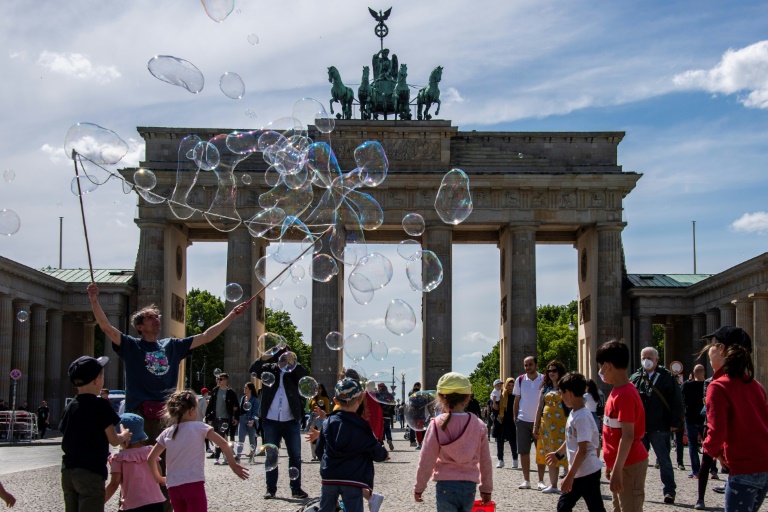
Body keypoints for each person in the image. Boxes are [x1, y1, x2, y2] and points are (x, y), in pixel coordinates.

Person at [87, 282, 247, 443]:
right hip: (139, 413)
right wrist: (94, 300)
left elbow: (206, 336)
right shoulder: (132, 345)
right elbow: (106, 327)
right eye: (150, 317)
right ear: (139, 326)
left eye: (157, 316)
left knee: (164, 465)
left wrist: (232, 315)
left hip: (167, 413)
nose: (156, 319)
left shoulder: (172, 345)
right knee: (140, 462)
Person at [700, 326, 768, 512]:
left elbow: (717, 431)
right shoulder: (756, 386)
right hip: (764, 465)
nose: (709, 351)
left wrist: (711, 451)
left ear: (721, 349)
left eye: (711, 346)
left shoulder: (718, 387)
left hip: (742, 467)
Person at [149, 390, 248, 511]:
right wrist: (233, 465)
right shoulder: (200, 427)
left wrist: (158, 478)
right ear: (191, 410)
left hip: (173, 486)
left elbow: (151, 458)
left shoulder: (167, 432)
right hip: (193, 484)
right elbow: (223, 443)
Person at [59, 356, 132, 511]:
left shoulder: (70, 406)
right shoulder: (100, 406)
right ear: (98, 379)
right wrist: (124, 435)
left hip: (68, 471)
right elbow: (113, 440)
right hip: (90, 471)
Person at [414, 372, 492, 511]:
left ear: (441, 398)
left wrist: (419, 487)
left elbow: (427, 458)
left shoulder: (437, 424)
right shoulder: (478, 424)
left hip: (445, 485)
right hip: (469, 486)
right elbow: (485, 461)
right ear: (468, 397)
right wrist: (486, 489)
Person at [315, 378, 388, 512]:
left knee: (325, 508)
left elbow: (319, 450)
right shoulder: (362, 426)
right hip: (353, 479)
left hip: (330, 477)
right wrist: (384, 454)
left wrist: (328, 464)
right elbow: (374, 449)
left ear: (336, 401)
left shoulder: (328, 422)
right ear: (360, 400)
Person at [249, 347, 309, 500]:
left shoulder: (294, 372)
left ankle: (296, 489)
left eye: (287, 357)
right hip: (271, 419)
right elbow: (253, 369)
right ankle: (271, 489)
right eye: (282, 357)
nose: (284, 360)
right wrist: (265, 356)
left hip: (291, 420)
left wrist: (294, 362)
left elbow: (306, 376)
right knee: (271, 456)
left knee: (295, 455)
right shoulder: (269, 369)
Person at [597, 340, 648, 512]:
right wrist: (611, 465)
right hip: (620, 464)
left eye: (600, 367)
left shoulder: (625, 393)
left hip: (629, 464)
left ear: (607, 366)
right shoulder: (617, 390)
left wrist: (617, 468)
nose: (600, 372)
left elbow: (628, 435)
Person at [629, 346, 684, 504]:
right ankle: (636, 489)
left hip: (660, 424)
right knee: (638, 460)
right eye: (643, 357)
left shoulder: (667, 376)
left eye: (649, 358)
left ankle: (669, 491)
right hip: (640, 426)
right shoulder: (635, 377)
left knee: (664, 459)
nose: (646, 361)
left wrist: (676, 421)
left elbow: (677, 400)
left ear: (656, 360)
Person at [545, 372, 605, 512]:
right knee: (564, 506)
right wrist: (558, 454)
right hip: (579, 471)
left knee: (592, 508)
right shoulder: (574, 413)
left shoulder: (582, 417)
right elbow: (571, 438)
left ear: (570, 393)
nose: (561, 396)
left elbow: (582, 449)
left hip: (587, 471)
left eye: (562, 393)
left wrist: (569, 476)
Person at [105, 413, 166, 511]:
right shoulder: (149, 451)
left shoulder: (118, 458)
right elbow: (158, 473)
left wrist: (100, 501)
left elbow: (114, 483)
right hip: (156, 502)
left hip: (132, 505)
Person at [534, 360, 569, 494]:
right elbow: (539, 408)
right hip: (547, 426)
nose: (551, 373)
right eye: (549, 371)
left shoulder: (565, 386)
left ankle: (569, 482)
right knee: (550, 453)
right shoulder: (545, 388)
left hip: (563, 423)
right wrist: (535, 425)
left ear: (559, 371)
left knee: (566, 453)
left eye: (554, 370)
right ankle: (553, 484)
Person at [513, 355, 545, 490]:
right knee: (523, 451)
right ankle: (526, 480)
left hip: (540, 420)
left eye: (530, 364)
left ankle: (541, 480)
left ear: (536, 365)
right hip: (523, 419)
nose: (528, 367)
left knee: (540, 451)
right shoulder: (520, 380)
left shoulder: (544, 379)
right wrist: (515, 417)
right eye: (526, 365)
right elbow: (516, 400)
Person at [204, 373, 238, 465]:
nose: (219, 380)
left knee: (220, 437)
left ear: (226, 380)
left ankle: (217, 456)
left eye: (221, 379)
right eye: (218, 379)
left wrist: (236, 417)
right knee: (219, 438)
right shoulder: (215, 390)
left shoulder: (230, 392)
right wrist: (207, 414)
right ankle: (225, 456)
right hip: (215, 417)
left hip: (225, 418)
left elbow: (236, 406)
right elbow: (211, 404)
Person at [681, 364, 706, 479]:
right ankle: (712, 470)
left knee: (692, 445)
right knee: (708, 445)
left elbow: (681, 399)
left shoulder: (687, 385)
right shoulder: (709, 385)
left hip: (690, 418)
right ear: (704, 373)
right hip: (704, 419)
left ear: (694, 373)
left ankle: (696, 471)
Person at [493, 377, 518, 469]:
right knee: (500, 440)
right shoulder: (501, 395)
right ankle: (500, 460)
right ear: (506, 385)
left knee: (513, 441)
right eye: (509, 385)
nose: (511, 387)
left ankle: (515, 459)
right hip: (502, 420)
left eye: (512, 385)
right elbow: (495, 406)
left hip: (512, 421)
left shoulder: (516, 395)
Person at [236, 382, 259, 462]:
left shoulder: (255, 400)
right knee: (240, 438)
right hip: (242, 419)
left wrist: (253, 420)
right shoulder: (243, 398)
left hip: (250, 420)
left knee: (252, 439)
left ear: (250, 389)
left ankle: (252, 454)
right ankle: (238, 455)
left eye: (246, 388)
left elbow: (256, 412)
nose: (244, 389)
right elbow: (240, 409)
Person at [309, 384, 332, 460]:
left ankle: (320, 453)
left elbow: (327, 410)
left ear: (322, 390)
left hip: (321, 418)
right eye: (316, 389)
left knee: (320, 435)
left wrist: (327, 418)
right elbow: (310, 408)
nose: (318, 390)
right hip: (313, 418)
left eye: (320, 388)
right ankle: (313, 455)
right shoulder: (313, 398)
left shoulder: (325, 398)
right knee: (312, 435)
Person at [376, 383, 396, 451]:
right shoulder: (390, 395)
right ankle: (389, 439)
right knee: (387, 428)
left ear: (380, 388)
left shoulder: (378, 395)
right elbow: (393, 404)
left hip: (381, 415)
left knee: (381, 429)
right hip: (388, 416)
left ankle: (381, 443)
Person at [197, 388, 211, 453]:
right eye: (207, 392)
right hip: (201, 420)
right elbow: (204, 411)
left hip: (195, 419)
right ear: (205, 393)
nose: (208, 393)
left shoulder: (197, 400)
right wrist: (207, 417)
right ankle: (207, 448)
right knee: (205, 434)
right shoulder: (204, 401)